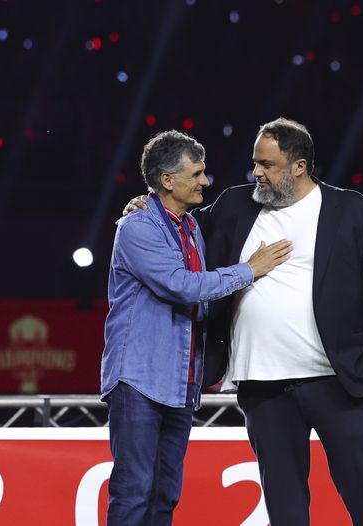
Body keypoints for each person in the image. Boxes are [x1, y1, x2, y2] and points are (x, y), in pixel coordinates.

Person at [127, 118, 363, 524]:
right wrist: (145, 204)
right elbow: (175, 227)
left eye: (267, 165)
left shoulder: (354, 212)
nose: (257, 173)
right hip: (264, 388)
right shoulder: (235, 207)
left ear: (299, 166)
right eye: (255, 163)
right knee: (285, 509)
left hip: (341, 381)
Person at [102, 130, 292, 525]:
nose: (206, 181)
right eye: (197, 173)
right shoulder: (137, 228)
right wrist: (250, 270)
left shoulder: (188, 226)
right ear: (168, 180)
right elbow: (182, 286)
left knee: (165, 494)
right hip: (139, 380)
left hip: (179, 384)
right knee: (134, 492)